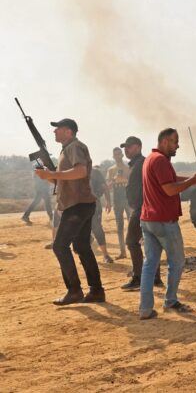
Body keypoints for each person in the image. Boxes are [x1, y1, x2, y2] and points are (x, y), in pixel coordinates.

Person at [138, 128, 196, 320]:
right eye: (175, 141)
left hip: (148, 219)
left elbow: (171, 180)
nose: (178, 146)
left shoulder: (151, 158)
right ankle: (171, 301)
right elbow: (170, 189)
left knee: (150, 263)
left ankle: (145, 309)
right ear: (165, 141)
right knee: (177, 262)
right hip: (164, 220)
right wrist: (194, 180)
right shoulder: (161, 160)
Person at [35, 118, 105, 305]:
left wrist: (52, 174)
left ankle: (74, 291)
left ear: (68, 131)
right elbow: (62, 180)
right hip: (80, 204)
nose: (54, 132)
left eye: (58, 129)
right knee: (82, 247)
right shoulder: (66, 150)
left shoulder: (74, 147)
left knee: (59, 246)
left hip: (77, 205)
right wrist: (47, 175)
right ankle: (96, 291)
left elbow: (81, 171)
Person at [118, 136, 162, 291]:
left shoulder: (142, 163)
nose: (126, 150)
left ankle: (138, 277)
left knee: (131, 241)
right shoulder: (135, 164)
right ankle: (155, 277)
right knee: (151, 243)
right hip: (142, 207)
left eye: (129, 147)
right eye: (125, 147)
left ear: (138, 147)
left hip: (142, 207)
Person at [106, 147, 130, 259]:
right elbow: (107, 186)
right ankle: (122, 251)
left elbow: (133, 182)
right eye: (115, 154)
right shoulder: (111, 170)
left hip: (128, 198)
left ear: (122, 155)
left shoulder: (128, 168)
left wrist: (124, 179)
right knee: (119, 226)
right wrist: (115, 179)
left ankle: (135, 249)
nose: (117, 156)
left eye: (119, 154)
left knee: (133, 224)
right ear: (113, 156)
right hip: (117, 199)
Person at [89, 166, 114, 263]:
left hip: (94, 204)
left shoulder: (95, 172)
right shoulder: (75, 171)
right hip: (80, 205)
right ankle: (86, 255)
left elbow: (105, 187)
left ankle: (106, 255)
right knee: (84, 230)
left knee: (97, 228)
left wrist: (108, 202)